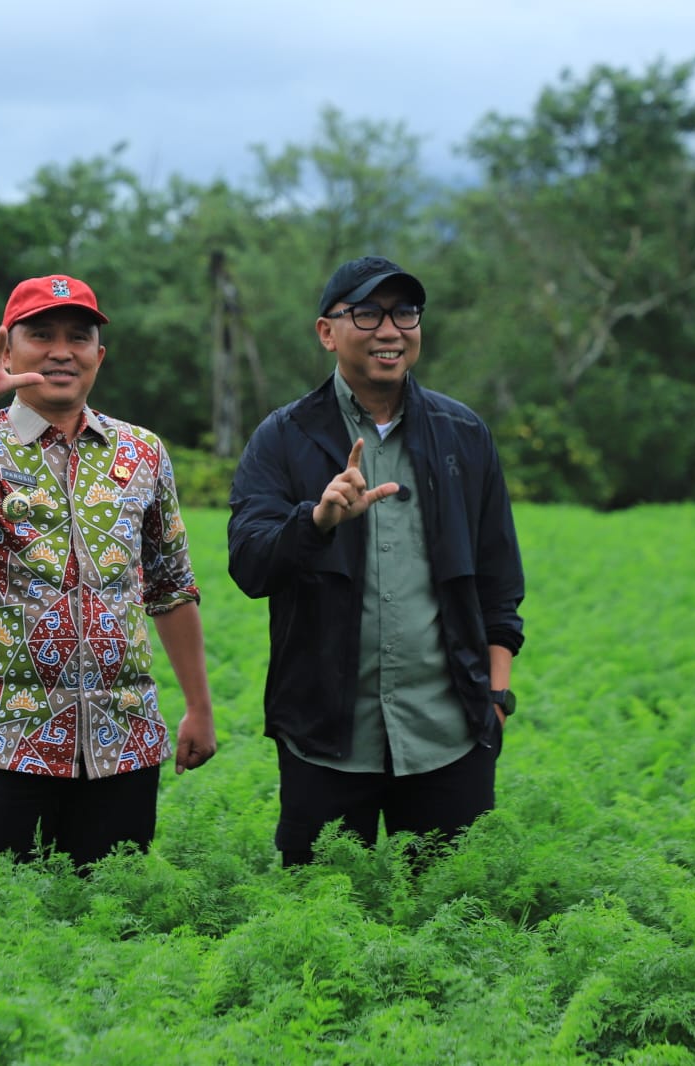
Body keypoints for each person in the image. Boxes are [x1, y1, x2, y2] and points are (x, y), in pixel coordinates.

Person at [227, 255, 525, 867]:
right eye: (367, 313)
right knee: (321, 930)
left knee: (455, 924)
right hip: (325, 738)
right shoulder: (283, 437)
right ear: (326, 332)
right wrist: (315, 521)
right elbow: (249, 564)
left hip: (448, 735)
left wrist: (496, 697)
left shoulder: (463, 434)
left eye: (405, 312)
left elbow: (499, 581)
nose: (390, 330)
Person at [0, 273, 216, 869]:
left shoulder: (142, 452)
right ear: (6, 347)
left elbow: (171, 585)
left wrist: (199, 707)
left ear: (98, 357)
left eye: (78, 337)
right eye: (41, 334)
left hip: (123, 739)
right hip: (4, 739)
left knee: (115, 924)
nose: (61, 350)